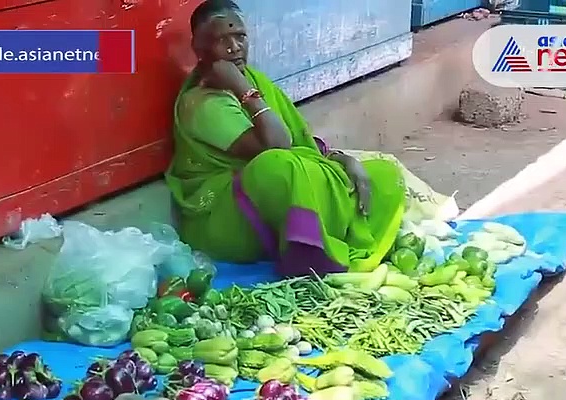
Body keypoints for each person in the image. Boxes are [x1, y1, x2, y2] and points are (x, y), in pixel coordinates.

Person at [165, 0, 407, 276]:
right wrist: (242, 88)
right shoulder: (203, 104)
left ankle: (330, 238)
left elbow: (300, 145)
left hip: (275, 195)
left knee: (383, 175)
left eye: (240, 36)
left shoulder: (254, 80)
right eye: (221, 40)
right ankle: (309, 254)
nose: (234, 47)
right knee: (277, 165)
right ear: (199, 49)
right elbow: (278, 146)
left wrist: (340, 159)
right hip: (226, 220)